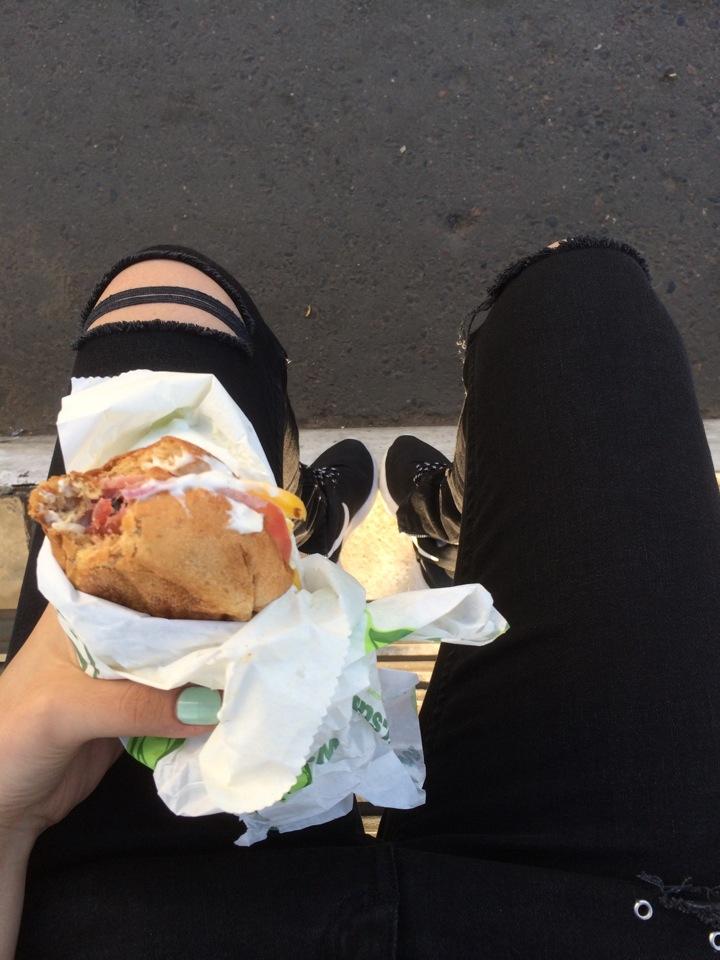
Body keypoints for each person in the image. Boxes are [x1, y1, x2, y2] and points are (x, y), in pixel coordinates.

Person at [1, 238, 718, 959]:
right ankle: (423, 532)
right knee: (584, 301)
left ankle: (292, 535)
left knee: (161, 298)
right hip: (636, 907)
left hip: (122, 902)